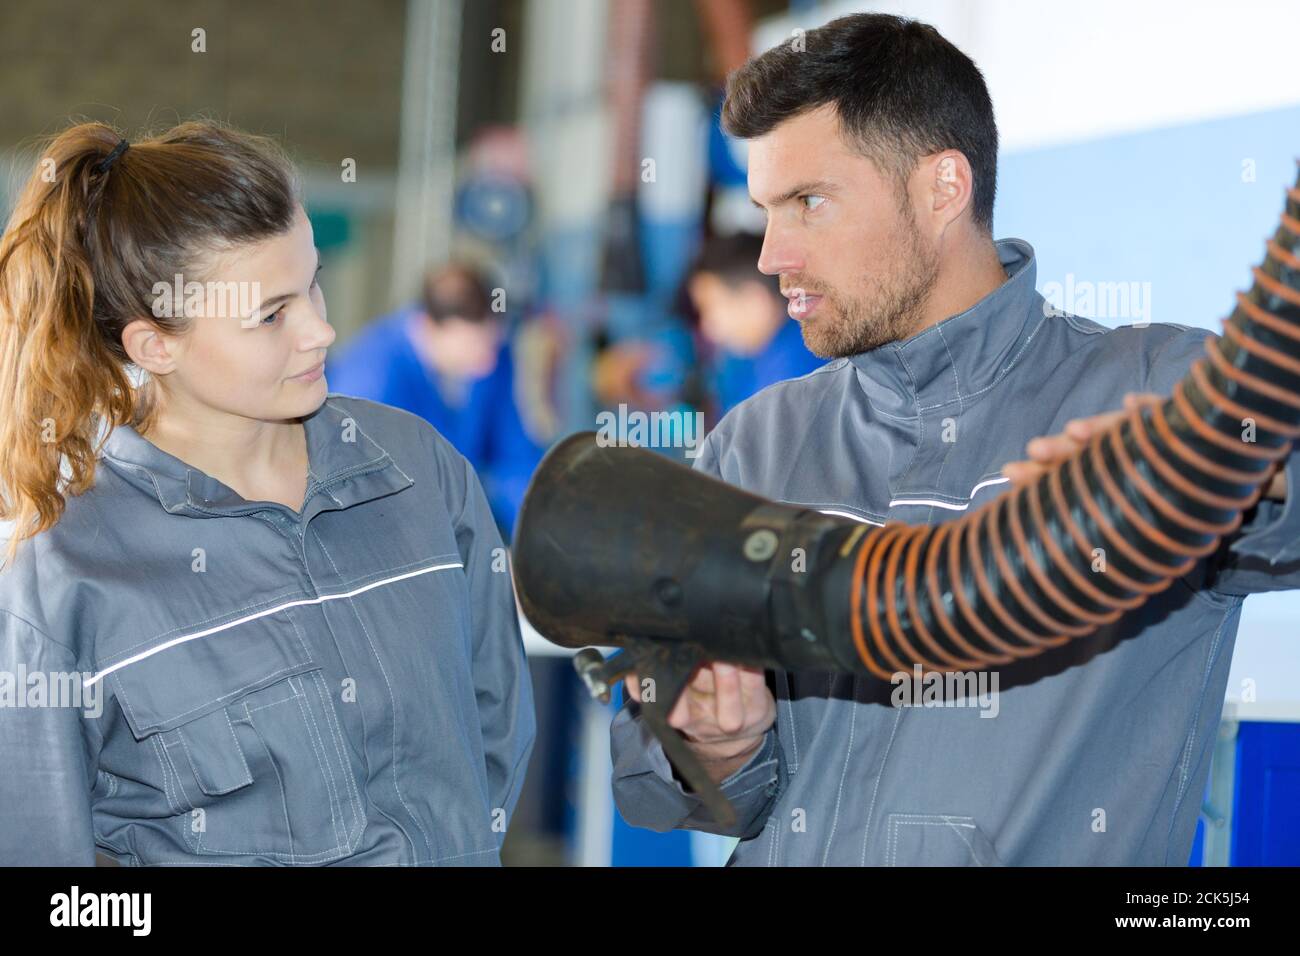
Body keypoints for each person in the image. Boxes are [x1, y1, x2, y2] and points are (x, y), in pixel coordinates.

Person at [610, 13, 1300, 866]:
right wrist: (714, 750)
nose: (771, 254)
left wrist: (1244, 474)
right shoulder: (755, 447)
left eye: (808, 203)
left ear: (943, 189)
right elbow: (650, 764)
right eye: (766, 211)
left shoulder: (1155, 389)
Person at [0, 121, 535, 866]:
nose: (321, 329)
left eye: (312, 280)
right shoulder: (62, 578)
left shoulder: (419, 471)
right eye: (272, 314)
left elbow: (495, 739)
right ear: (156, 344)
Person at [325, 263, 543, 536]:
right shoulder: (370, 378)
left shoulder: (495, 356)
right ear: (428, 325)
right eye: (471, 346)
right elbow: (355, 494)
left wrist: (535, 530)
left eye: (491, 342)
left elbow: (514, 456)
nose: (487, 362)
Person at [685, 233, 824, 415]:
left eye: (710, 308)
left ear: (755, 303)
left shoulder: (790, 383)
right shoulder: (751, 354)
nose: (707, 327)